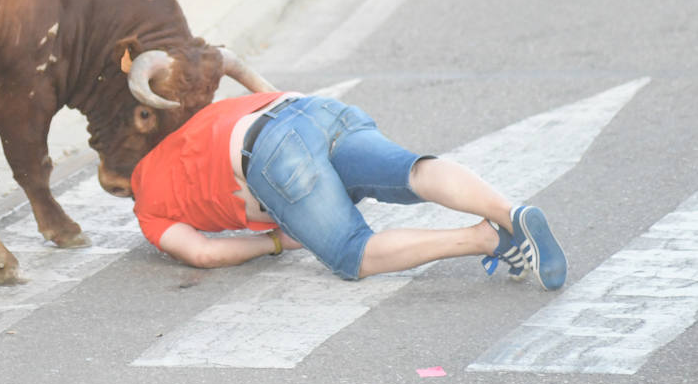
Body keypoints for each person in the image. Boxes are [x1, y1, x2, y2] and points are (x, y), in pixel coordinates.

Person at [130, 91, 568, 289]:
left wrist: (275, 243)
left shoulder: (149, 211)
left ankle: (486, 237)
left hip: (272, 153)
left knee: (351, 254)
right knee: (410, 172)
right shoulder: (191, 127)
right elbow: (268, 100)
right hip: (314, 109)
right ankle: (511, 212)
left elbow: (203, 253)